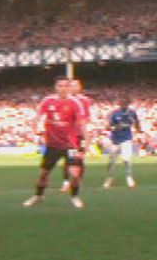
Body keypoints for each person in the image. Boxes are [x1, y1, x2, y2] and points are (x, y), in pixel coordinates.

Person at [24, 77, 88, 209]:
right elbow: (38, 116)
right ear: (55, 87)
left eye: (66, 86)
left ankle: (75, 197)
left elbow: (82, 124)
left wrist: (85, 144)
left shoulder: (75, 103)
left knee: (75, 173)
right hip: (52, 145)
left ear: (69, 88)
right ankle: (38, 195)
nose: (63, 88)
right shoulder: (48, 101)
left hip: (70, 145)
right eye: (60, 86)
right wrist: (35, 129)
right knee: (44, 173)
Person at [60, 79, 92, 192]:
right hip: (69, 135)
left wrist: (86, 133)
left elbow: (87, 118)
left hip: (80, 135)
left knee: (80, 159)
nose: (73, 88)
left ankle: (78, 181)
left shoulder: (85, 100)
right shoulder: (65, 100)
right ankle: (66, 181)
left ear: (80, 87)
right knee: (68, 158)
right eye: (71, 86)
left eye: (75, 85)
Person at [103, 97, 141, 189]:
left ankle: (129, 178)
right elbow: (108, 126)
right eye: (122, 102)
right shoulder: (115, 113)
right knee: (112, 160)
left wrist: (139, 131)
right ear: (119, 103)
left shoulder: (132, 113)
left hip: (126, 138)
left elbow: (137, 122)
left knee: (127, 159)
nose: (123, 104)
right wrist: (115, 127)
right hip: (115, 139)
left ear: (128, 103)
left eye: (125, 102)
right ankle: (110, 178)